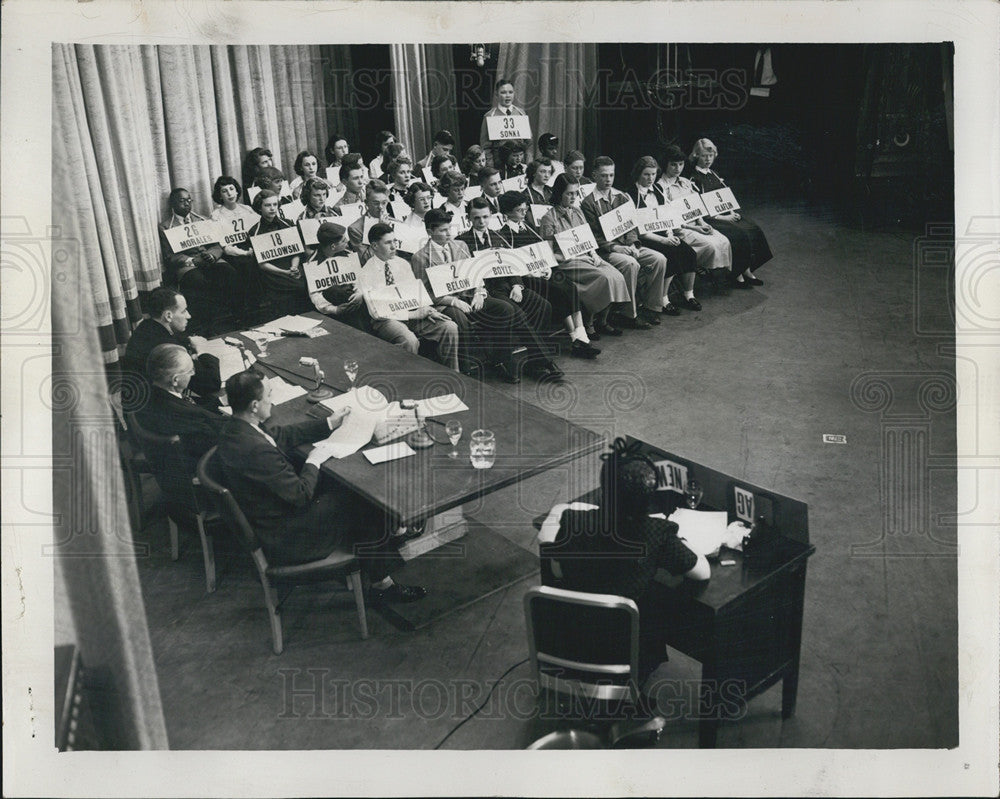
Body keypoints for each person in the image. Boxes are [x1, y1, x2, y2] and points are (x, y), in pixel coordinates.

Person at [217, 370, 426, 604]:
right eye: (269, 396)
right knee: (359, 499)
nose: (272, 401)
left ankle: (388, 534)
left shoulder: (237, 428)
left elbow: (280, 435)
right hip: (287, 536)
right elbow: (301, 494)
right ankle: (383, 583)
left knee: (343, 490)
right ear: (254, 405)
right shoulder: (255, 450)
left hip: (271, 515)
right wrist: (314, 459)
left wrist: (329, 423)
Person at [538, 438, 709, 682]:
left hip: (569, 641)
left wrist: (580, 511)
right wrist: (678, 536)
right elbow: (702, 572)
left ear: (603, 487)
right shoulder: (656, 532)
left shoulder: (574, 522)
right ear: (649, 495)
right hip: (623, 654)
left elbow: (547, 536)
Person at [411, 208, 561, 382]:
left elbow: (475, 274)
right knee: (460, 319)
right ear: (430, 232)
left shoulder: (460, 245)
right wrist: (453, 301)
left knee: (506, 309)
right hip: (447, 303)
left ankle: (501, 360)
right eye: (443, 231)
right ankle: (465, 370)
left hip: (470, 296)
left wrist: (479, 292)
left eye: (449, 229)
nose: (449, 234)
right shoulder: (420, 257)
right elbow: (425, 293)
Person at [466, 194, 599, 359]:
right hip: (518, 279)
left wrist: (545, 268)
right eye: (519, 210)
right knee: (556, 292)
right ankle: (570, 340)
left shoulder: (519, 229)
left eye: (485, 217)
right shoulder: (498, 235)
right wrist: (529, 274)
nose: (482, 221)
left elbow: (537, 251)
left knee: (567, 288)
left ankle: (580, 335)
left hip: (533, 274)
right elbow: (507, 265)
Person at [356, 222, 460, 371]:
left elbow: (415, 295)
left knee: (449, 327)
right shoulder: (366, 273)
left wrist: (427, 310)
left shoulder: (402, 264)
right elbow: (377, 313)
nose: (394, 247)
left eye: (395, 241)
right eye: (388, 243)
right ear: (374, 246)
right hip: (386, 319)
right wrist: (414, 314)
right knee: (409, 340)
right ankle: (408, 382)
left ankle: (452, 374)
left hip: (412, 312)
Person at [538, 175, 631, 340]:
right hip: (567, 262)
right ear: (559, 193)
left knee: (616, 276)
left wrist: (594, 255)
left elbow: (588, 239)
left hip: (586, 256)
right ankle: (589, 324)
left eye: (575, 193)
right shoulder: (549, 218)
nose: (573, 197)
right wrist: (571, 254)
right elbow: (548, 254)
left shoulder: (578, 211)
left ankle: (602, 320)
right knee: (603, 278)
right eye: (569, 193)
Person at [580, 156, 667, 328]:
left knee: (659, 259)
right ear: (594, 175)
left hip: (627, 246)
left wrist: (634, 244)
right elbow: (593, 236)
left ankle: (651, 307)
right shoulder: (588, 203)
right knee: (630, 264)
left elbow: (630, 227)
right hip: (607, 250)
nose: (608, 180)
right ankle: (628, 314)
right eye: (604, 175)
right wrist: (616, 247)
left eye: (611, 175)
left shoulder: (621, 197)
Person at [686, 138, 772, 287]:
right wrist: (725, 218)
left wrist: (732, 211)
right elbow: (700, 207)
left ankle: (747, 270)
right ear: (696, 156)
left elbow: (724, 196)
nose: (707, 159)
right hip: (711, 218)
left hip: (725, 214)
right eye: (704, 155)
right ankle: (736, 275)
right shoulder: (694, 178)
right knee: (739, 235)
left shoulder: (714, 174)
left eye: (710, 156)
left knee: (753, 229)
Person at [121, 287, 221, 411]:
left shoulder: (147, 327)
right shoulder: (167, 348)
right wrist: (202, 350)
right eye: (183, 311)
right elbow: (211, 384)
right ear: (168, 315)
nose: (188, 316)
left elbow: (179, 337)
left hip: (139, 403)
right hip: (160, 409)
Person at [656, 144, 732, 301]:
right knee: (709, 245)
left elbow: (696, 207)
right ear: (666, 164)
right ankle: (693, 275)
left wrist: (702, 223)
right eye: (673, 164)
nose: (678, 168)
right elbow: (672, 219)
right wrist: (695, 229)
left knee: (723, 241)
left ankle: (717, 276)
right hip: (682, 228)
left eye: (681, 164)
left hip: (696, 224)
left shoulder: (685, 182)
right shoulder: (661, 187)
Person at [625, 156, 699, 316]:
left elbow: (667, 217)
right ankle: (664, 299)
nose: (650, 178)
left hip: (663, 234)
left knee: (689, 252)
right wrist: (664, 240)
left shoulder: (658, 190)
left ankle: (689, 294)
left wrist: (670, 234)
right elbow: (639, 231)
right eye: (646, 174)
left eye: (653, 174)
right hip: (646, 238)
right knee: (671, 255)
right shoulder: (630, 195)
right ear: (638, 174)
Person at [158, 187, 241, 326]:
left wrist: (212, 255)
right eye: (182, 201)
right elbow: (170, 256)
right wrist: (192, 260)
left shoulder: (202, 220)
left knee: (230, 273)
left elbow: (217, 245)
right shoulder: (166, 227)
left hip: (209, 259)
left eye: (189, 200)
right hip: (188, 265)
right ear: (173, 204)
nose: (187, 204)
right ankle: (206, 324)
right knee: (198, 282)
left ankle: (237, 317)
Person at [135, 343, 227, 467]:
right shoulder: (184, 414)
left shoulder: (147, 392)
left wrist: (222, 401)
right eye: (190, 370)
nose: (194, 373)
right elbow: (222, 435)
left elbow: (193, 408)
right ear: (175, 380)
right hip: (207, 464)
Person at [247, 190, 307, 315]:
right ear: (259, 207)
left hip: (291, 266)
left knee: (304, 284)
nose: (272, 208)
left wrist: (294, 267)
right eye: (267, 205)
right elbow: (262, 264)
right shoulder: (255, 232)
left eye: (275, 204)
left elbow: (296, 252)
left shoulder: (288, 224)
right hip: (272, 272)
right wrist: (284, 272)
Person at [306, 221, 369, 333]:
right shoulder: (312, 263)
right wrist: (335, 310)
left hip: (354, 300)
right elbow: (315, 296)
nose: (348, 242)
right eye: (344, 241)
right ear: (333, 246)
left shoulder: (349, 254)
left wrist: (360, 294)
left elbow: (360, 279)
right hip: (332, 307)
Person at [479, 77, 530, 167]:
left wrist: (526, 163)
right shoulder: (490, 116)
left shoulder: (521, 113)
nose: (507, 96)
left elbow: (528, 142)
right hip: (499, 165)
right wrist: (492, 167)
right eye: (503, 92)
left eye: (510, 92)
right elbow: (485, 146)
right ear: (496, 94)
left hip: (519, 164)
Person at [347, 179, 391, 262]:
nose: (381, 207)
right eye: (376, 203)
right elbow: (365, 260)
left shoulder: (396, 222)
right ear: (366, 203)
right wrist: (380, 231)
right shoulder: (355, 229)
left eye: (384, 203)